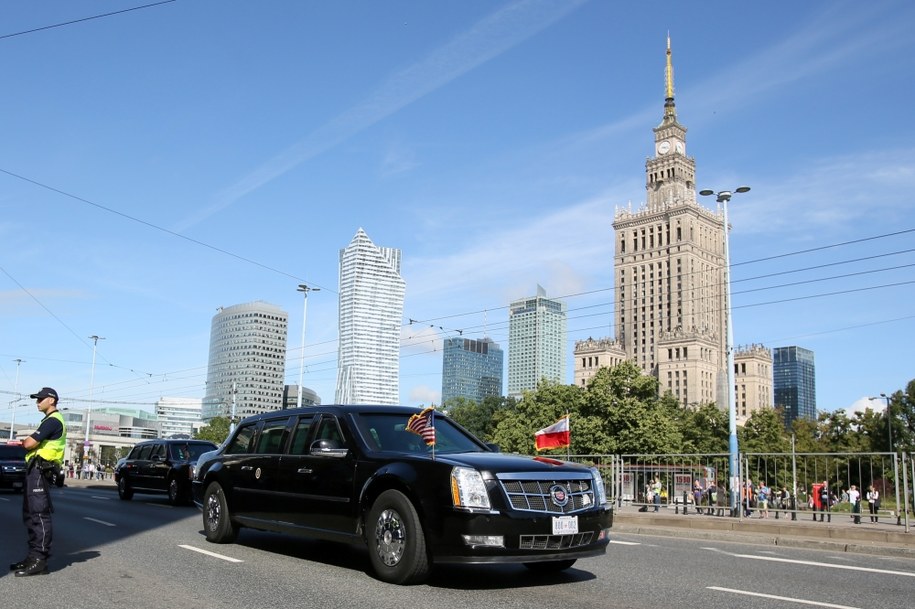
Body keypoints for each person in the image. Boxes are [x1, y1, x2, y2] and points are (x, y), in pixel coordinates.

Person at [11, 387, 67, 577]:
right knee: (30, 514)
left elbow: (28, 444)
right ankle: (32, 557)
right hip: (35, 469)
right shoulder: (47, 420)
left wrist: (27, 441)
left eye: (40, 399)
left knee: (38, 514)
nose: (37, 402)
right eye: (36, 399)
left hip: (41, 470)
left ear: (51, 400)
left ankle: (39, 560)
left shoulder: (53, 421)